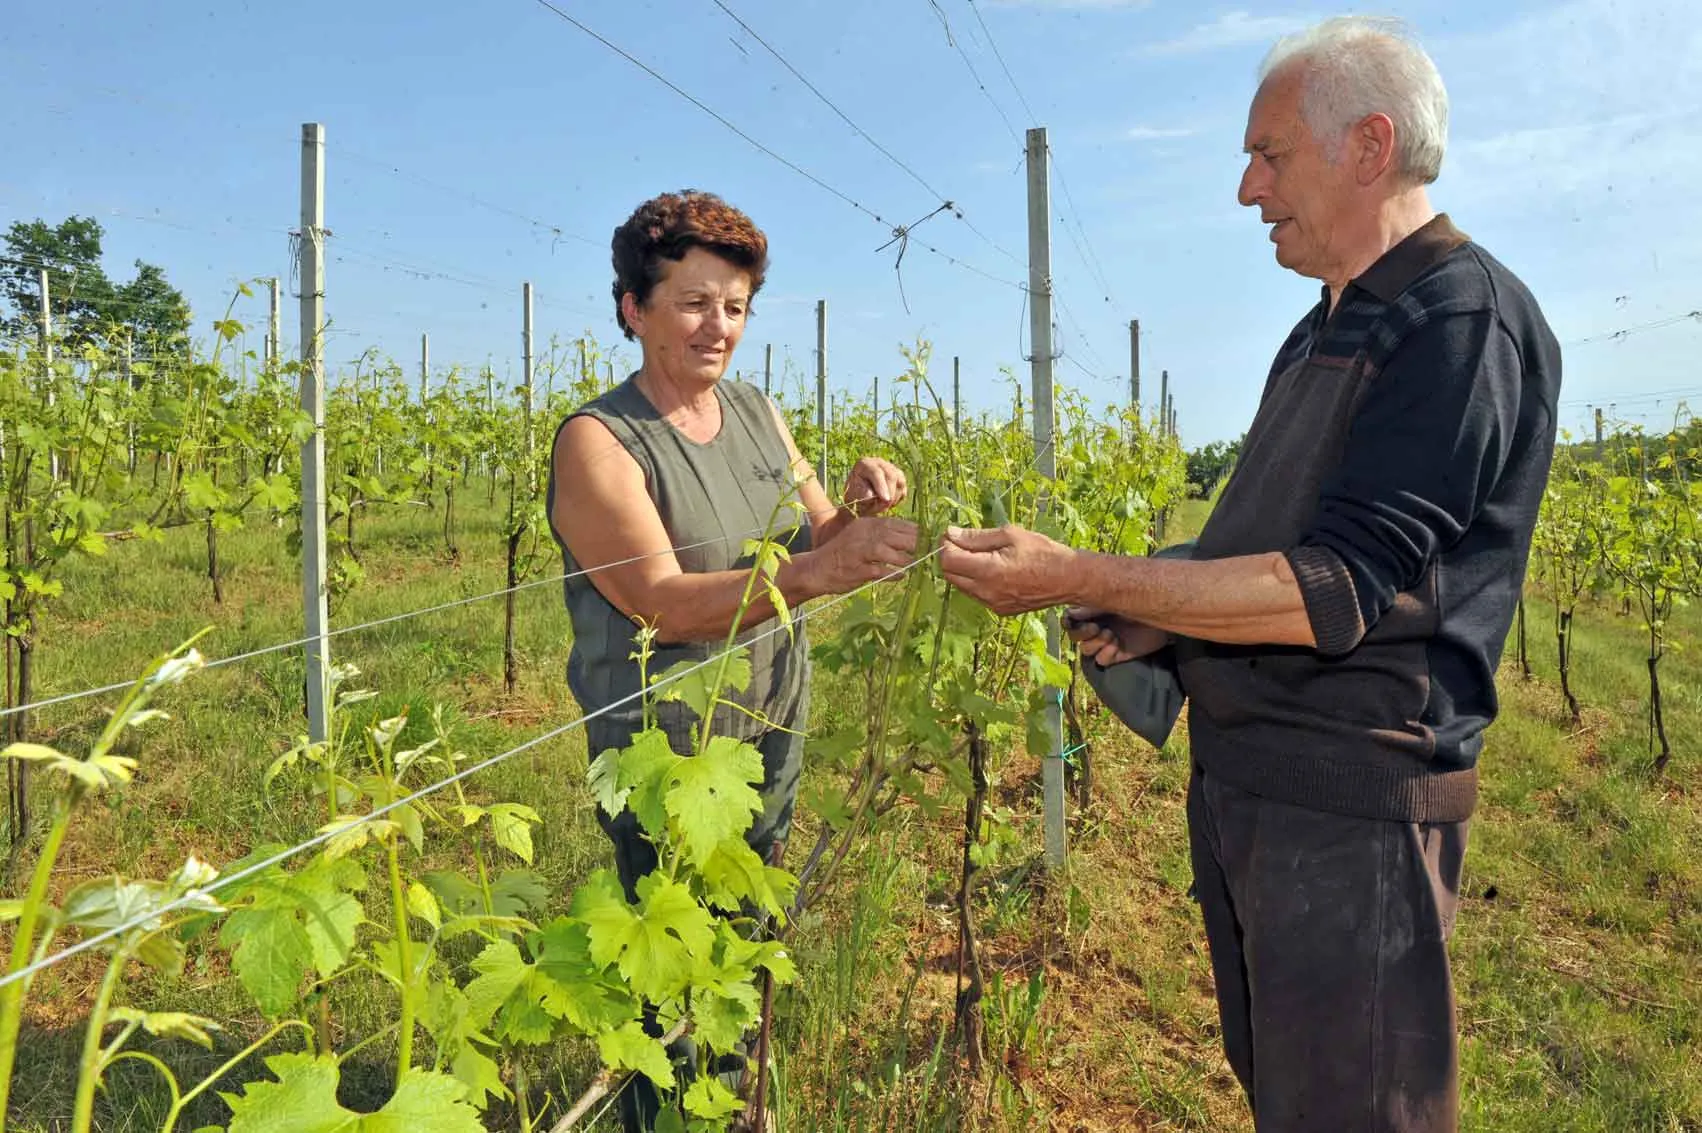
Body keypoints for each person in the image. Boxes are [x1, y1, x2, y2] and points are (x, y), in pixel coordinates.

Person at [939, 16, 1560, 1133]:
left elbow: (1334, 590)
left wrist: (1079, 571)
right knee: (1291, 1093)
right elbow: (1277, 545)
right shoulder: (1324, 327)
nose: (1245, 189)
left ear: (1369, 145)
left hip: (1351, 805)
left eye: (1268, 155)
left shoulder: (1456, 320)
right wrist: (1160, 621)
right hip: (1259, 790)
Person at [547, 189, 917, 1130]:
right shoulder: (600, 442)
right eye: (695, 302)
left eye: (737, 307)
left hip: (764, 728)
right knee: (669, 967)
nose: (720, 326)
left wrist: (860, 504)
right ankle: (674, 1115)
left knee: (744, 941)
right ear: (634, 307)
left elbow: (823, 532)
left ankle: (737, 1104)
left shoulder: (756, 411)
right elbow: (662, 599)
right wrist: (817, 570)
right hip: (665, 756)